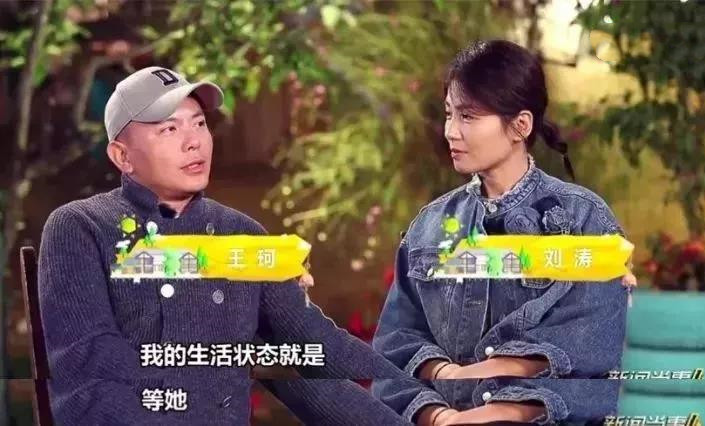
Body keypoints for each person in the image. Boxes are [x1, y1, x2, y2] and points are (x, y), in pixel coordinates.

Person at [38, 66, 413, 425]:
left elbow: (311, 349)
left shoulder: (241, 234)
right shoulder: (82, 226)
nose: (194, 141)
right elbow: (89, 372)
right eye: (169, 129)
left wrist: (426, 400)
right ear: (123, 156)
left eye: (199, 124)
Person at [372, 40, 634, 425]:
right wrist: (440, 415)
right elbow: (393, 349)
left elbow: (587, 358)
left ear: (520, 125)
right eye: (449, 114)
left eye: (468, 116)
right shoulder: (430, 226)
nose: (451, 131)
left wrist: (494, 411)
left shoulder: (583, 220)